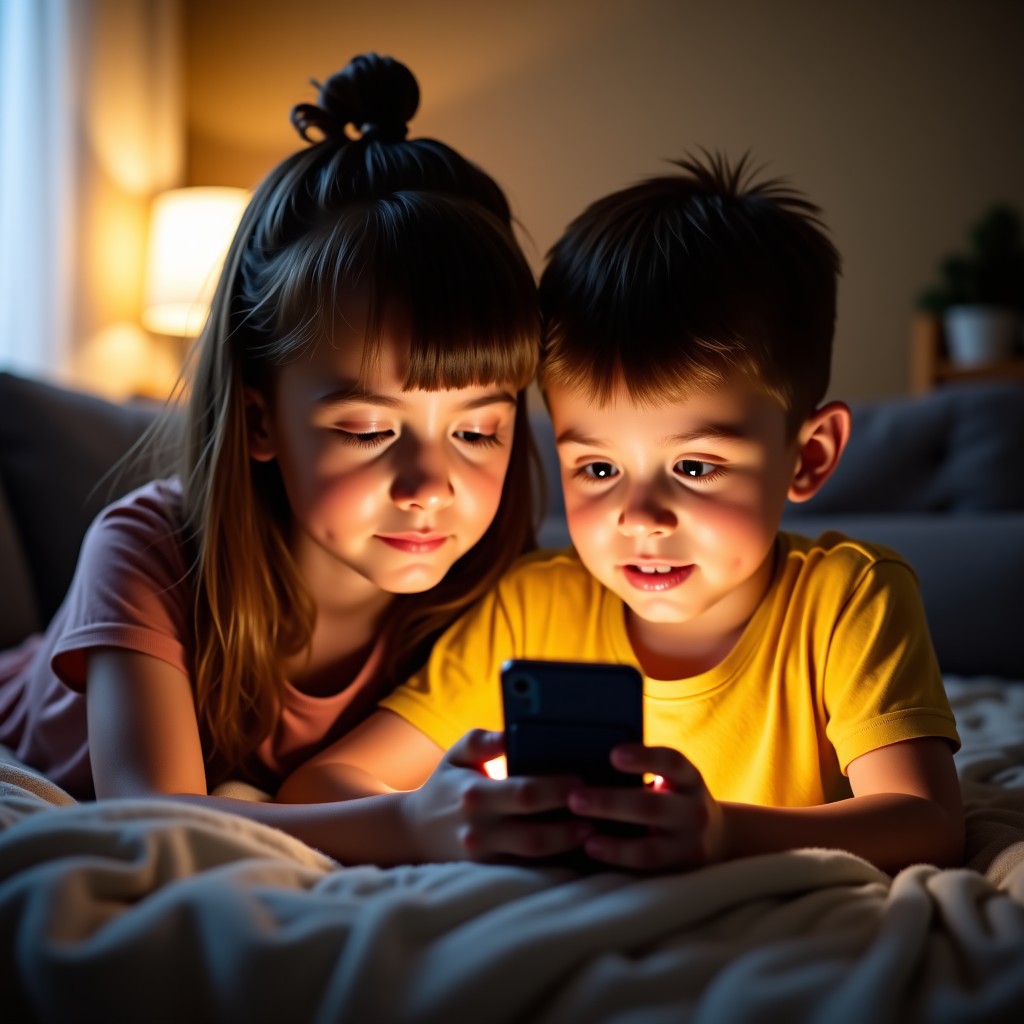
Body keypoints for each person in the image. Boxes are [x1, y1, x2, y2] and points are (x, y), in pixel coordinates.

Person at [313, 152, 965, 874]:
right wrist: (444, 814)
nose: (641, 517)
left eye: (694, 467)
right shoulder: (530, 609)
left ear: (808, 457)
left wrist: (720, 834)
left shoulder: (849, 599)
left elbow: (927, 824)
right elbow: (323, 784)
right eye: (597, 469)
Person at [0, 53, 544, 857]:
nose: (431, 487)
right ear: (260, 422)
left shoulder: (497, 598)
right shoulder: (150, 552)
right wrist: (405, 822)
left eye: (477, 432)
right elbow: (157, 821)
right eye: (367, 430)